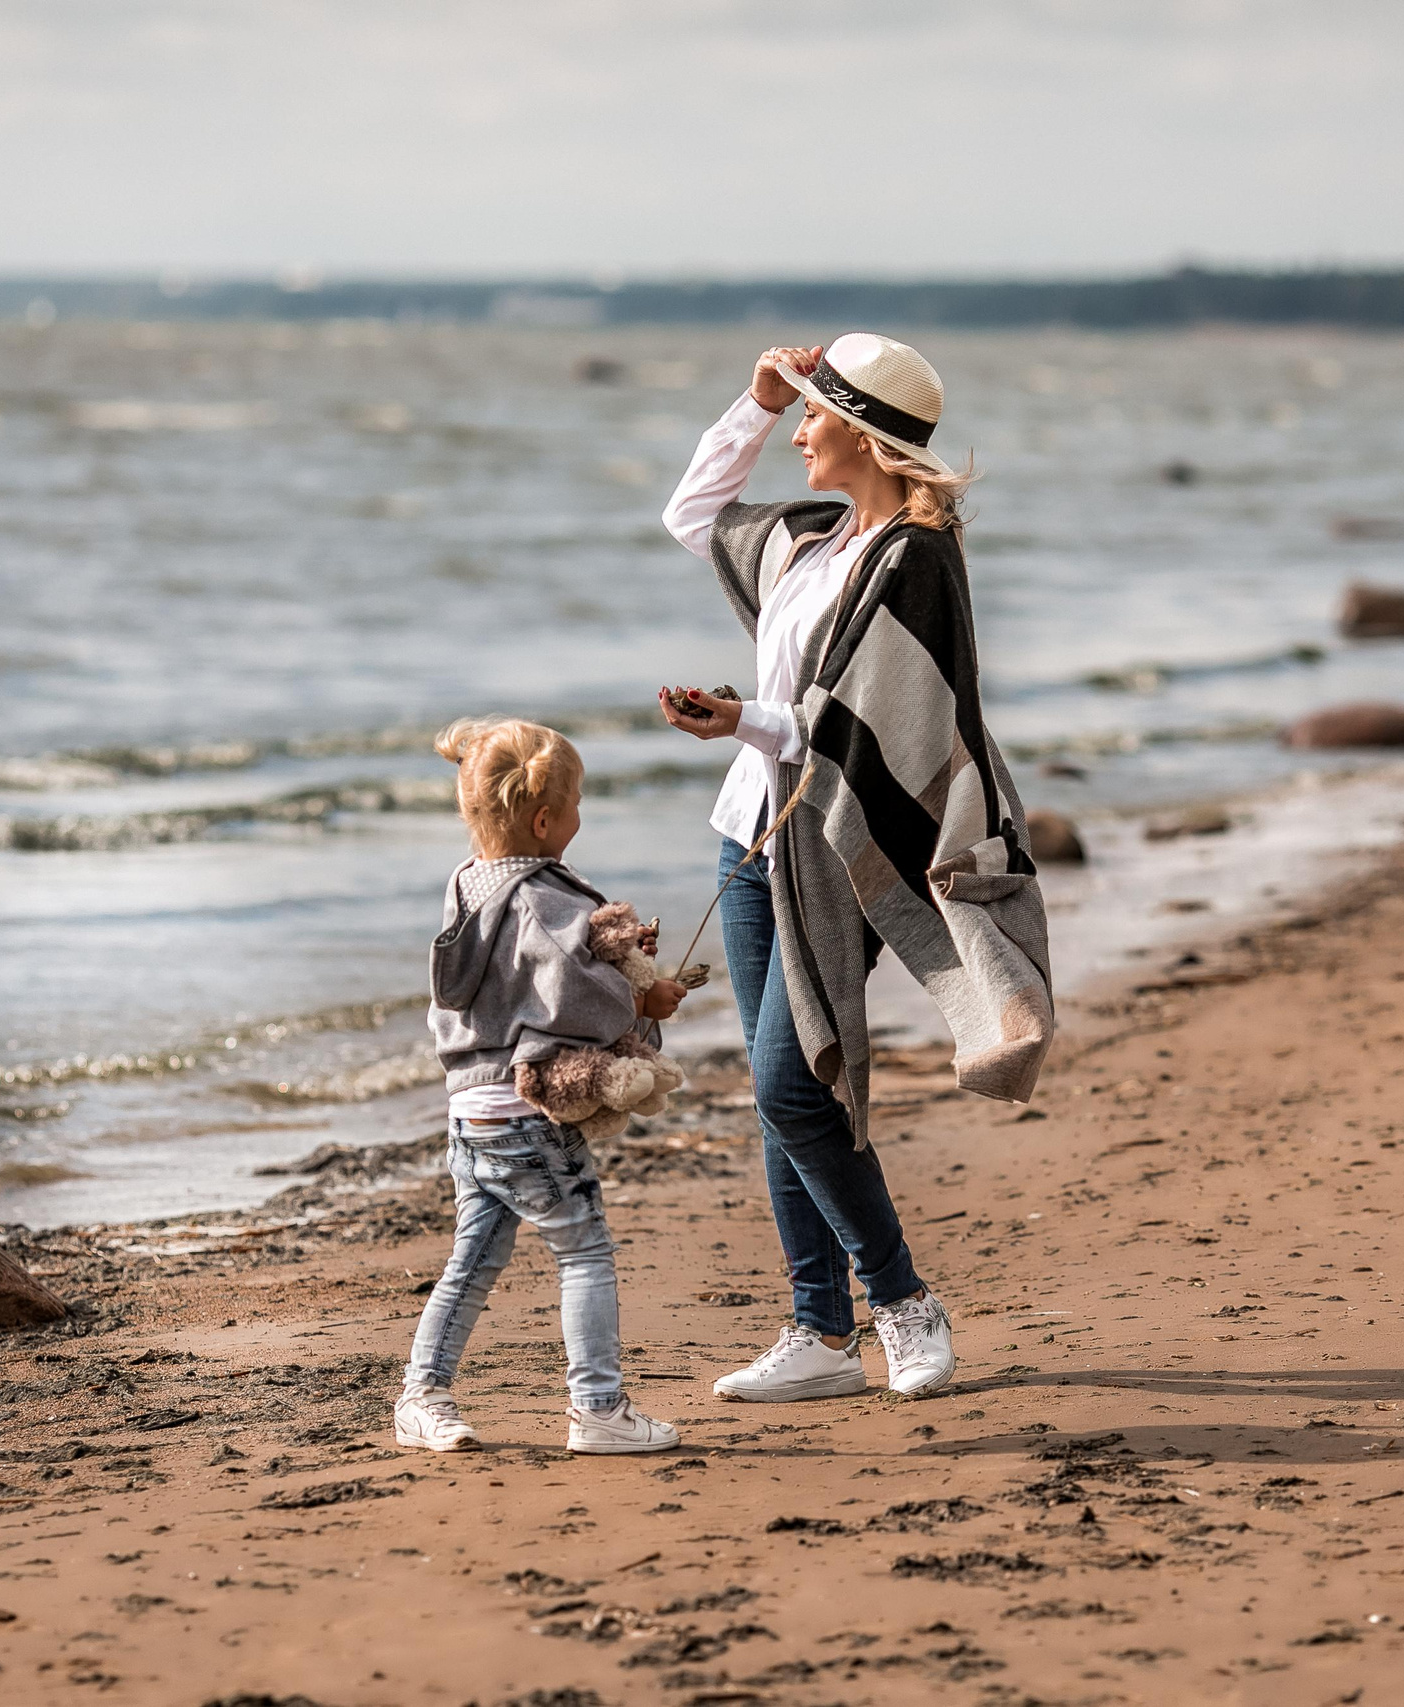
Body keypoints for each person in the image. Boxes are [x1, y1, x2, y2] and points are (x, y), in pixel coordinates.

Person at [659, 335, 1056, 1403]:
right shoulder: (813, 542)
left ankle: (902, 1304)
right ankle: (819, 1333)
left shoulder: (914, 562)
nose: (797, 433)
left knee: (794, 1085)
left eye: (809, 416)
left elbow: (876, 727)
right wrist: (747, 401)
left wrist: (741, 716)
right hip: (746, 838)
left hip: (842, 841)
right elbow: (691, 520)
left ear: (863, 432)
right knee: (776, 1091)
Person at [395, 716, 690, 1454]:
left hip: (469, 1111)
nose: (582, 815)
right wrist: (640, 997)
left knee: (472, 1260)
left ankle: (421, 1398)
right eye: (579, 802)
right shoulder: (543, 897)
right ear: (544, 818)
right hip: (528, 1110)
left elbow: (510, 986)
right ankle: (598, 1408)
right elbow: (569, 994)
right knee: (585, 1250)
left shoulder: (469, 886)